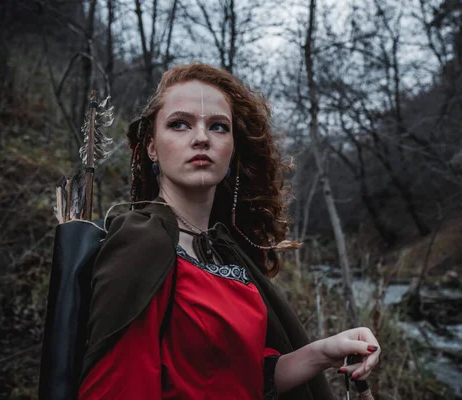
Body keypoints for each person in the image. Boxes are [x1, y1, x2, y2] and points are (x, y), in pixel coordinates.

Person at [77, 63, 381, 399]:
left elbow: (247, 379)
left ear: (232, 148)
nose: (202, 138)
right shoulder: (140, 245)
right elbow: (117, 387)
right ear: (151, 146)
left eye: (219, 127)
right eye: (180, 124)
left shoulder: (227, 251)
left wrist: (325, 352)